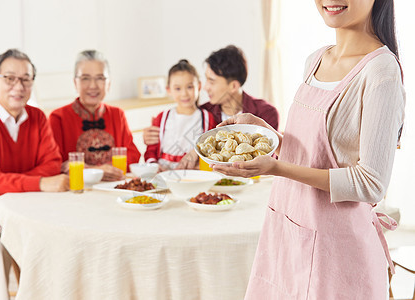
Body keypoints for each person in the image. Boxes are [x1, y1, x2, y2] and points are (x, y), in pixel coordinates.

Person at [212, 0, 405, 299]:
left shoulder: (381, 71)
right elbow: (317, 151)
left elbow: (371, 183)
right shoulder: (316, 59)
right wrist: (270, 135)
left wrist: (277, 168)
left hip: (337, 253)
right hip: (288, 235)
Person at [0, 49, 69, 300]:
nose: (18, 86)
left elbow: (53, 164)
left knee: (51, 246)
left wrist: (9, 179)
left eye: (26, 79)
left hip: (16, 217)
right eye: (9, 78)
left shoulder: (37, 118)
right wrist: (40, 183)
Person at [143, 45, 279, 169]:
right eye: (206, 79)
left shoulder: (265, 112)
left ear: (233, 86)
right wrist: (151, 136)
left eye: (211, 81)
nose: (205, 87)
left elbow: (268, 159)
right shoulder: (204, 114)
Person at [49, 50, 141, 180]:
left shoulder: (117, 115)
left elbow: (133, 155)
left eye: (100, 78)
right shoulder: (58, 117)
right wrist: (98, 171)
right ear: (75, 83)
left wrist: (102, 170)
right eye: (85, 78)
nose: (93, 86)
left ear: (108, 83)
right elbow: (54, 164)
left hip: (115, 187)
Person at [144, 59, 216, 170]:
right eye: (177, 88)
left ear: (199, 86)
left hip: (194, 174)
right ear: (169, 90)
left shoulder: (207, 118)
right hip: (162, 174)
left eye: (190, 87)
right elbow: (150, 151)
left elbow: (212, 149)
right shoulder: (162, 118)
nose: (184, 94)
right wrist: (154, 166)